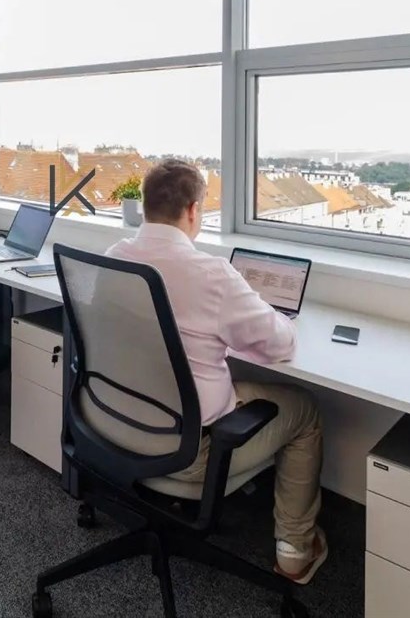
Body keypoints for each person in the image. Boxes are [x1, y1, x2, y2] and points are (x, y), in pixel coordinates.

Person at [107, 159, 327, 584]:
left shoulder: (115, 257)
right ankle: (295, 550)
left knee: (233, 384)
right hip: (190, 452)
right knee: (305, 409)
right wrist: (264, 312)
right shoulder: (211, 275)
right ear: (193, 211)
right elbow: (282, 345)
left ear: (146, 204)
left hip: (116, 423)